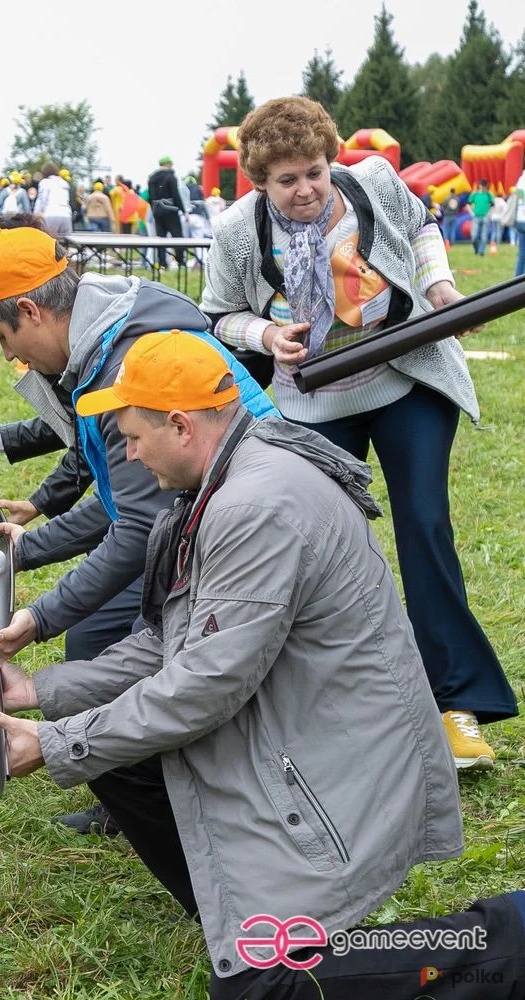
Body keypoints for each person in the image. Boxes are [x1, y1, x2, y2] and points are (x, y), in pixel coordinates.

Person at [0, 331, 525, 999]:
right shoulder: (229, 477)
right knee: (112, 747)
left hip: (339, 770)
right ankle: (232, 910)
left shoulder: (254, 505)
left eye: (131, 435)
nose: (128, 453)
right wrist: (46, 691)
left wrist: (58, 743)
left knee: (267, 988)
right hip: (298, 730)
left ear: (179, 424)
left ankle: (500, 938)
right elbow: (176, 639)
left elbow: (203, 686)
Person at [201, 96, 516, 769]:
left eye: (314, 171)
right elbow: (217, 315)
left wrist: (439, 289)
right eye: (287, 180)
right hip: (313, 404)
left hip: (405, 381)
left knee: (425, 526)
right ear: (261, 182)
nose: (306, 189)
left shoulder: (370, 181)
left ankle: (454, 703)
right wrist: (263, 334)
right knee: (329, 551)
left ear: (329, 160)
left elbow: (423, 224)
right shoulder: (236, 231)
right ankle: (351, 710)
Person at [0, 226, 276, 833]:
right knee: (96, 632)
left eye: (2, 339)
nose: (8, 358)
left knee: (130, 640)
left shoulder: (123, 360)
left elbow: (139, 522)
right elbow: (128, 502)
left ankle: (163, 795)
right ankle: (127, 787)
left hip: (247, 529)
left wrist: (38, 618)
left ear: (29, 311)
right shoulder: (99, 345)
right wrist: (30, 551)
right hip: (197, 515)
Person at [146, 155, 185, 270]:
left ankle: (162, 263)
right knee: (177, 237)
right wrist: (183, 210)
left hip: (157, 211)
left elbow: (150, 197)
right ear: (169, 164)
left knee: (160, 238)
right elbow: (175, 194)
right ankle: (180, 262)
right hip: (171, 210)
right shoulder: (171, 177)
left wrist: (154, 209)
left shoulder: (152, 178)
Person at [33, 160, 73, 238]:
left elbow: (42, 200)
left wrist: (36, 213)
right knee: (65, 244)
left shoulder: (44, 182)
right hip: (66, 215)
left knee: (48, 240)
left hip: (50, 214)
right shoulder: (64, 183)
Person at [466, 179, 494, 256]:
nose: (483, 187)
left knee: (484, 236)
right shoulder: (475, 194)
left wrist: (489, 214)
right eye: (482, 186)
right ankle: (477, 249)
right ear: (480, 186)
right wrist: (471, 213)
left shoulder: (488, 195)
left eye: (484, 186)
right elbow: (468, 204)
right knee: (473, 236)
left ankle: (481, 252)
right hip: (476, 217)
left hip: (485, 216)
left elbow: (492, 205)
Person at [514, 167, 525, 277]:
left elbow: (518, 197)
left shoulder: (521, 178)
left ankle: (517, 280)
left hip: (520, 219)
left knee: (522, 255)